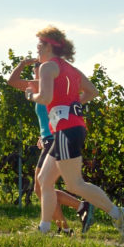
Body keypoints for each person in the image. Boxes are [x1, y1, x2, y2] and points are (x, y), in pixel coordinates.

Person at [7, 26, 124, 241]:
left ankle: (119, 214)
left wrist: (30, 95)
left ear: (49, 46)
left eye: (39, 44)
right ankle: (43, 230)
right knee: (45, 179)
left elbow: (44, 98)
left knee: (75, 184)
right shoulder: (70, 69)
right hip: (67, 131)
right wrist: (72, 106)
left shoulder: (47, 67)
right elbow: (92, 91)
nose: (37, 48)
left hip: (66, 131)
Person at [32, 100, 92, 234]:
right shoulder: (42, 92)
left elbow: (61, 112)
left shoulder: (50, 88)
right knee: (43, 188)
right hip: (49, 139)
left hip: (54, 140)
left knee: (42, 187)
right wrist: (42, 136)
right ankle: (66, 228)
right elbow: (47, 118)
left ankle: (78, 210)